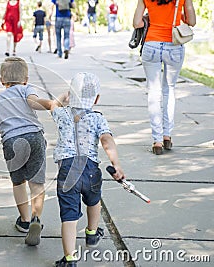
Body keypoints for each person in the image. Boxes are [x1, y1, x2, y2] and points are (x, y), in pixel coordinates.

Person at [0, 57, 63, 246]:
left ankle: (25, 221)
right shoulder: (27, 89)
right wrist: (52, 103)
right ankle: (37, 218)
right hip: (34, 138)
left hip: (12, 141)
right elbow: (34, 103)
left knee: (18, 182)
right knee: (36, 183)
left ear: (2, 80)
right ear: (26, 79)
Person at [50, 72, 125, 267]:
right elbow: (107, 141)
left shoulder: (63, 113)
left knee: (69, 215)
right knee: (94, 200)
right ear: (97, 98)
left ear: (70, 95)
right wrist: (116, 164)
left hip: (68, 171)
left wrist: (62, 96)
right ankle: (92, 233)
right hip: (90, 169)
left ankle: (70, 258)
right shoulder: (98, 118)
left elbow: (52, 105)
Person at [133, 0, 196, 155]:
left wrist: (151, 18)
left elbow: (137, 23)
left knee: (154, 93)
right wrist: (178, 14)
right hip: (174, 45)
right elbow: (192, 22)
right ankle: (167, 135)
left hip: (151, 45)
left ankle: (157, 140)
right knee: (169, 90)